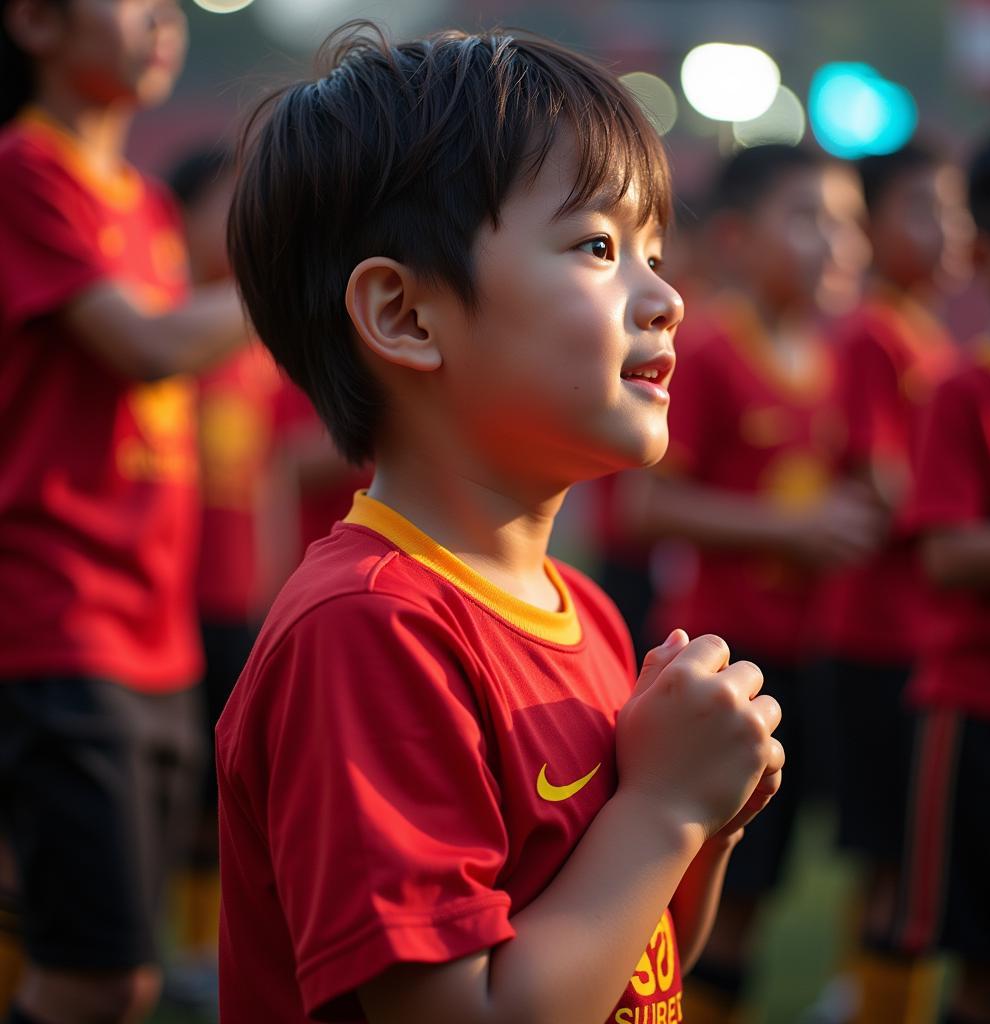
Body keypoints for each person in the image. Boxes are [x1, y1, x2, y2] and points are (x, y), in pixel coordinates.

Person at [217, 22, 786, 1024]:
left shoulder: (591, 614)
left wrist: (708, 820)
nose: (665, 299)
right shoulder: (368, 630)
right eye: (599, 247)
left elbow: (637, 962)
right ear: (405, 315)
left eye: (655, 252)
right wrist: (662, 809)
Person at [0, 0, 250, 1018]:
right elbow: (146, 346)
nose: (163, 20)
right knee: (97, 975)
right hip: (61, 619)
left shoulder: (145, 204)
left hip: (156, 630)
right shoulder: (25, 173)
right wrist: (300, 277)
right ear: (37, 22)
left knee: (118, 976)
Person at [629, 145, 886, 1024]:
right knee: (708, 894)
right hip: (724, 659)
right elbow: (649, 501)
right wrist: (794, 529)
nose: (839, 245)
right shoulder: (708, 348)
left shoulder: (839, 356)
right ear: (737, 240)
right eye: (810, 220)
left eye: (849, 223)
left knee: (768, 887)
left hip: (807, 656)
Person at [816, 142, 971, 1024]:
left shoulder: (929, 332)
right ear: (873, 226)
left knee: (904, 861)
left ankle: (864, 998)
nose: (944, 230)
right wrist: (970, 516)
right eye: (922, 209)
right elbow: (886, 484)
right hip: (877, 637)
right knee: (895, 861)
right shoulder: (876, 331)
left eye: (951, 211)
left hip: (913, 634)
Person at [885, 129, 990, 1024]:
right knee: (986, 970)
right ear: (983, 252)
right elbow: (945, 553)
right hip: (982, 721)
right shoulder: (964, 391)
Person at [162, 144, 287, 1011]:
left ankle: (204, 948)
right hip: (176, 598)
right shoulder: (171, 329)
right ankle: (167, 939)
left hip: (241, 598)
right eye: (227, 204)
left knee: (222, 779)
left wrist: (275, 583)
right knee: (169, 783)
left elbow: (271, 472)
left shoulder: (251, 347)